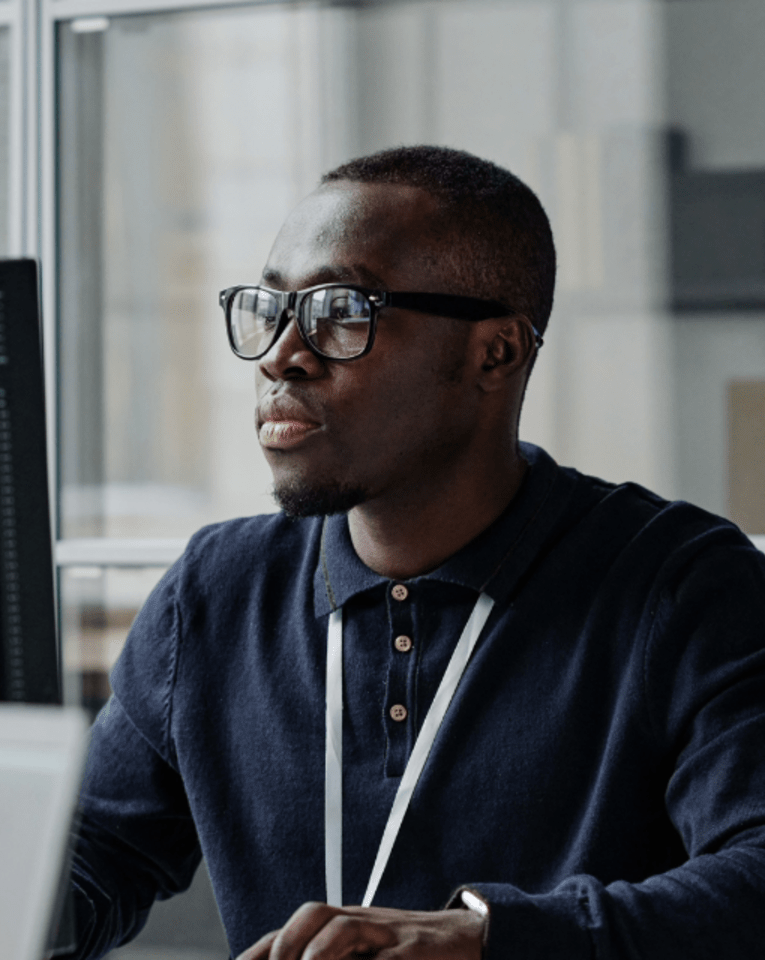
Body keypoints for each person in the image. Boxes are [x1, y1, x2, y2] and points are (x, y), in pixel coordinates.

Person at [65, 145, 765, 960]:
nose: (280, 354)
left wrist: (481, 942)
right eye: (270, 309)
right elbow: (87, 868)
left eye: (341, 311)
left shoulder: (681, 585)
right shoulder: (215, 592)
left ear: (493, 354)